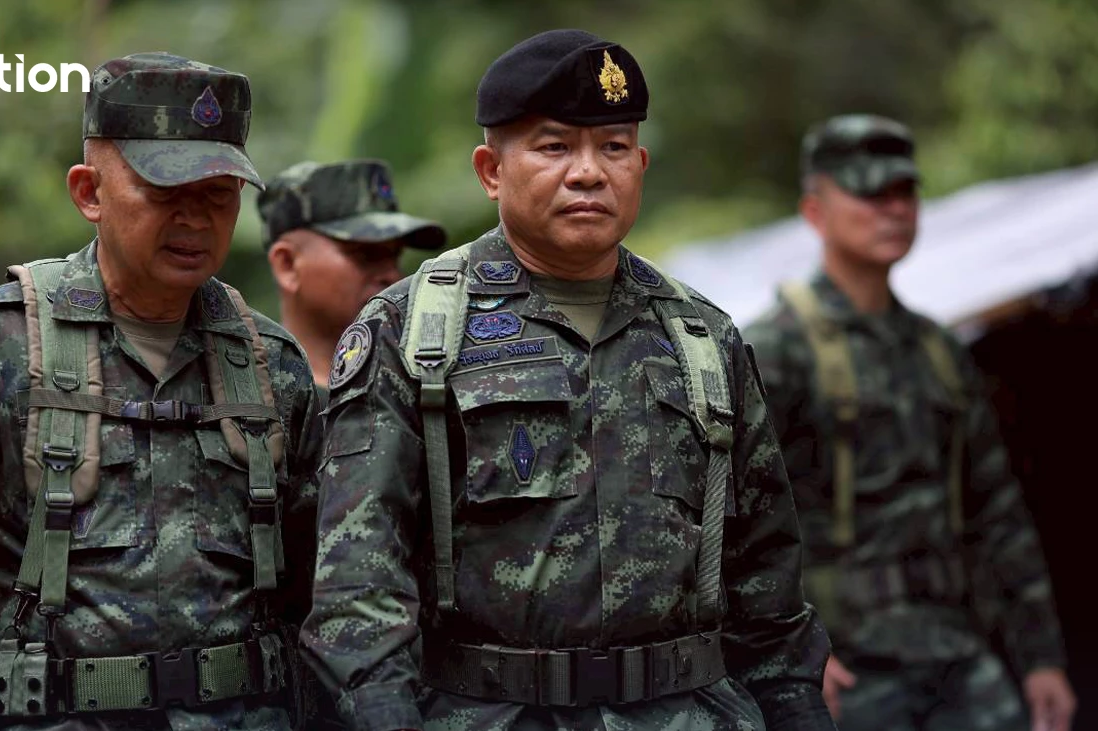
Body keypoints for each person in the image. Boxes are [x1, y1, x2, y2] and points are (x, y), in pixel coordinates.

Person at [301, 29, 833, 731]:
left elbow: (767, 582)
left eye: (613, 147)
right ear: (491, 170)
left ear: (640, 163)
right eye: (554, 147)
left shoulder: (703, 337)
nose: (589, 172)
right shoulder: (413, 331)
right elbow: (360, 585)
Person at [0, 52, 322, 729]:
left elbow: (327, 604)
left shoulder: (273, 365)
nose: (195, 220)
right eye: (165, 193)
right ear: (89, 191)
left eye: (217, 196)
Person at [743, 113, 1076, 731]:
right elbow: (734, 517)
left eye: (904, 193)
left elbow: (996, 513)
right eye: (870, 194)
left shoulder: (938, 350)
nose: (893, 210)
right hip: (849, 669)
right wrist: (785, 651)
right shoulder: (777, 349)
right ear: (815, 212)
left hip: (957, 654)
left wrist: (1041, 658)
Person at [258, 159, 446, 391]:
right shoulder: (246, 391)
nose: (392, 275)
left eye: (394, 256)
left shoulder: (427, 382)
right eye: (366, 254)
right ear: (287, 265)